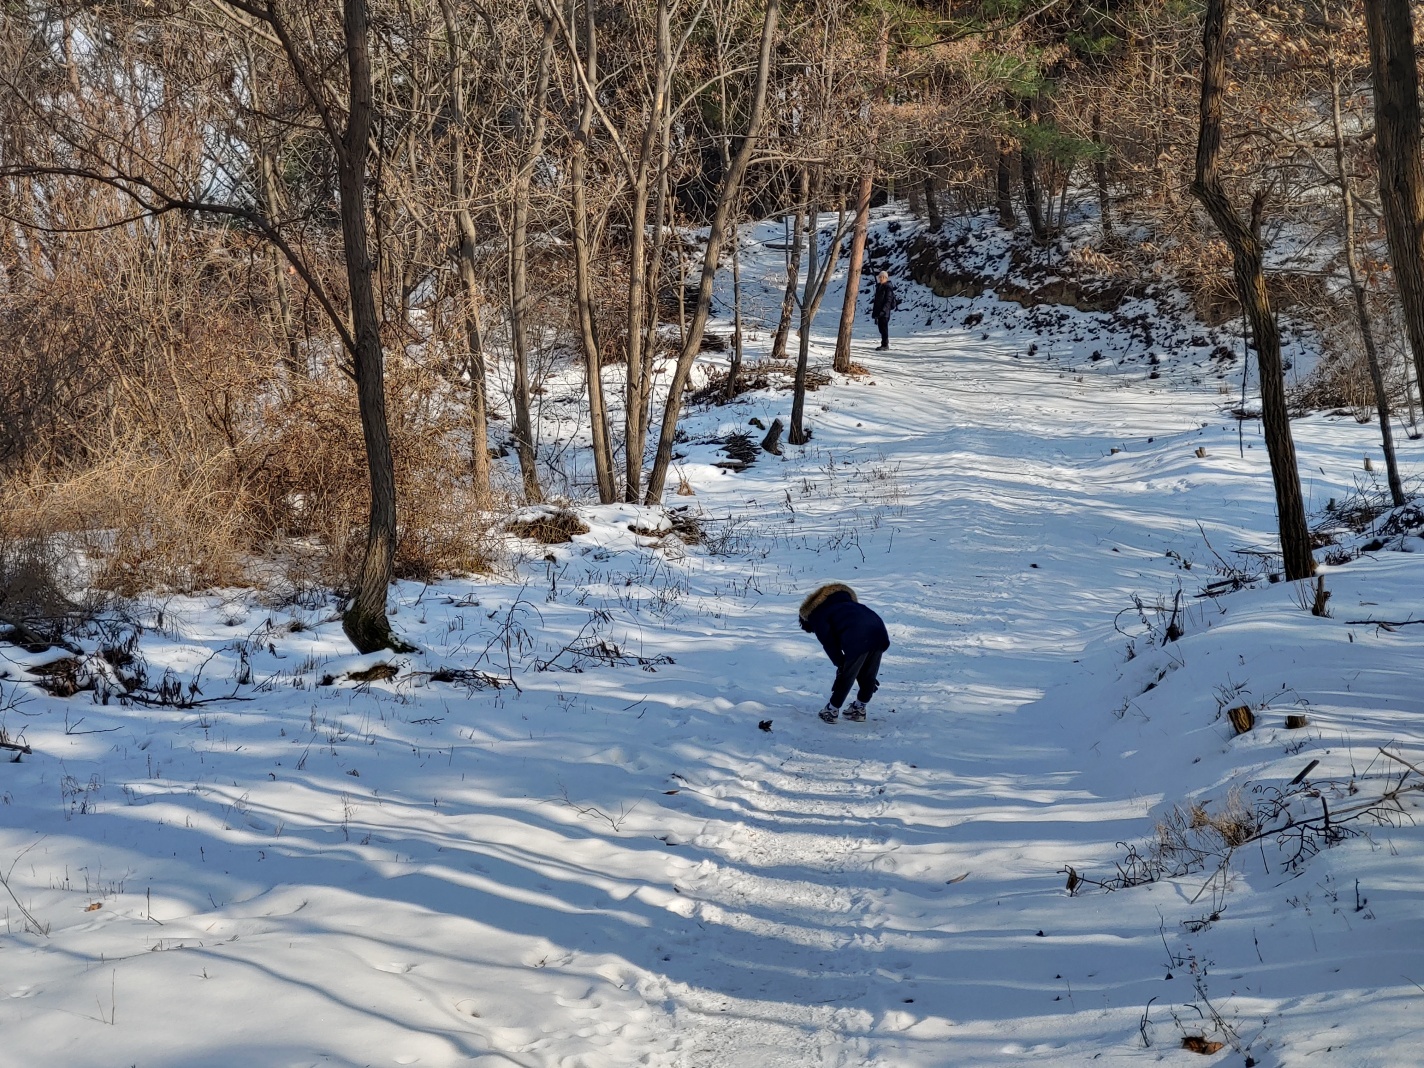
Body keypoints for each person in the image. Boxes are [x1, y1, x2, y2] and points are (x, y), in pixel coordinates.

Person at [798, 583, 891, 723]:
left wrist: (841, 665)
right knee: (868, 674)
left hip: (858, 636)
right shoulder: (848, 606)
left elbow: (830, 644)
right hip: (879, 632)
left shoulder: (818, 614)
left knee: (846, 675)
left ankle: (831, 710)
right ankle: (859, 709)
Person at [870, 270, 898, 350]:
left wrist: (884, 310)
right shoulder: (879, 287)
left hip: (884, 313)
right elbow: (877, 301)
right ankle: (884, 343)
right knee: (880, 328)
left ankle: (885, 345)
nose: (881, 279)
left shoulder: (888, 287)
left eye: (882, 277)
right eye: (880, 277)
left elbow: (888, 301)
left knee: (884, 328)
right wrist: (875, 312)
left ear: (886, 278)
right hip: (879, 312)